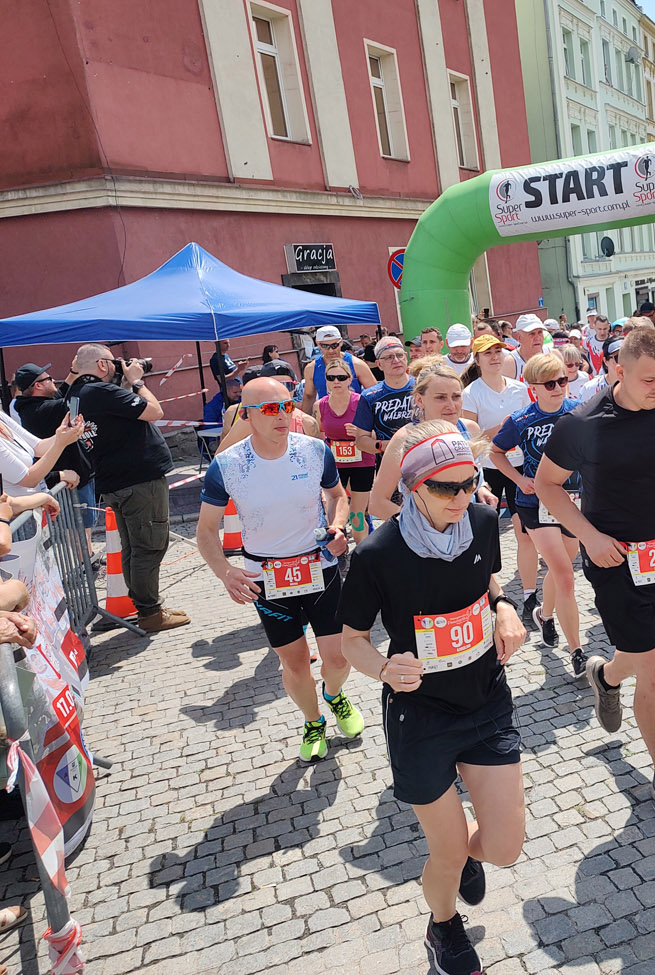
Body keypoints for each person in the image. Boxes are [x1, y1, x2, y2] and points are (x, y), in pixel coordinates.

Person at [339, 421, 526, 975]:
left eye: (470, 483)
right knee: (446, 851)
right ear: (414, 486)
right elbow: (352, 641)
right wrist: (383, 668)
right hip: (419, 715)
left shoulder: (484, 522)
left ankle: (462, 859)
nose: (462, 497)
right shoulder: (378, 552)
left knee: (505, 847)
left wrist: (504, 607)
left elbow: (488, 582)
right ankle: (442, 927)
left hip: (485, 700)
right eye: (447, 487)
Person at [535, 326, 655, 823]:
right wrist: (589, 537)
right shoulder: (582, 423)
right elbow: (546, 485)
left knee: (641, 656)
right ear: (618, 370)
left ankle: (605, 675)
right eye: (649, 379)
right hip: (613, 560)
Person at [197, 378, 362, 762]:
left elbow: (338, 497)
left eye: (287, 406)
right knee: (295, 663)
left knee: (339, 658)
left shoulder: (314, 450)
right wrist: (225, 571)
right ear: (247, 415)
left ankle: (334, 695)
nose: (283, 416)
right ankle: (313, 721)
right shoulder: (227, 465)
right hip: (267, 580)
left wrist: (338, 526)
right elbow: (205, 530)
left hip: (319, 567)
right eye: (270, 409)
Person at [67, 344, 188, 632]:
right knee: (149, 545)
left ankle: (146, 605)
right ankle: (150, 612)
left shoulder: (76, 395)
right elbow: (155, 411)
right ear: (102, 365)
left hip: (114, 480)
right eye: (113, 362)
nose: (117, 366)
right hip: (138, 479)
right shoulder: (102, 392)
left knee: (133, 547)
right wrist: (136, 382)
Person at [489, 354, 586, 676]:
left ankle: (544, 614)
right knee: (566, 575)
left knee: (562, 569)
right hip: (535, 504)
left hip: (572, 501)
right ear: (533, 388)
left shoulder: (579, 411)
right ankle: (577, 651)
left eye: (562, 380)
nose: (558, 388)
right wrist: (519, 479)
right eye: (550, 384)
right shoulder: (521, 420)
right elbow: (495, 452)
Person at [460, 334, 538, 614]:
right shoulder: (471, 393)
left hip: (519, 466)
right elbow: (470, 438)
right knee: (484, 535)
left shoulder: (519, 388)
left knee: (525, 533)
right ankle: (485, 591)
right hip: (487, 470)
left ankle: (529, 596)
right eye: (488, 353)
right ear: (477, 360)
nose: (495, 357)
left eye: (498, 352)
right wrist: (503, 429)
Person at [369, 360, 492, 521]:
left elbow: (470, 478)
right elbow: (377, 503)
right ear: (419, 400)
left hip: (467, 527)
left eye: (456, 396)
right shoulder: (405, 438)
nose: (451, 405)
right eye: (440, 398)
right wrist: (422, 527)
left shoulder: (470, 429)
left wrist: (482, 488)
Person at [10, 364, 95, 544]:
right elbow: (66, 401)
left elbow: (59, 396)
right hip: (70, 482)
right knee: (79, 534)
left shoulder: (32, 406)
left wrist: (73, 373)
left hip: (73, 478)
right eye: (48, 379)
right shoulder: (41, 410)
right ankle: (86, 560)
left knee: (83, 531)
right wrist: (90, 375)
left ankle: (87, 556)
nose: (53, 380)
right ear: (38, 385)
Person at [314, 360, 376, 541]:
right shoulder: (320, 405)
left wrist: (361, 433)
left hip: (361, 462)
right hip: (334, 464)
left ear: (350, 379)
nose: (336, 381)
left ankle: (361, 551)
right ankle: (337, 550)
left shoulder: (362, 402)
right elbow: (319, 434)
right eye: (331, 377)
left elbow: (376, 433)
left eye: (341, 377)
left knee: (357, 515)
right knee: (333, 514)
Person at [347, 336, 415, 457]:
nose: (396, 360)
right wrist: (386, 445)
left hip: (425, 460)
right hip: (389, 462)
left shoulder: (423, 387)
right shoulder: (370, 396)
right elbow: (361, 441)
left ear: (406, 357)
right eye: (389, 357)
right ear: (379, 364)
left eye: (399, 355)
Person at [301, 325, 377, 412]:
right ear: (318, 344)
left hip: (356, 415)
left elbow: (374, 393)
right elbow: (309, 396)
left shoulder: (357, 364)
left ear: (341, 342)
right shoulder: (311, 368)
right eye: (325, 346)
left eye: (334, 345)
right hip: (327, 416)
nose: (330, 350)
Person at [209, 340, 247, 404]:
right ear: (217, 344)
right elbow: (222, 380)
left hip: (238, 389)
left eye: (229, 343)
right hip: (231, 395)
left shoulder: (226, 355)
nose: (228, 345)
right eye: (225, 343)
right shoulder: (215, 359)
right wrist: (238, 369)